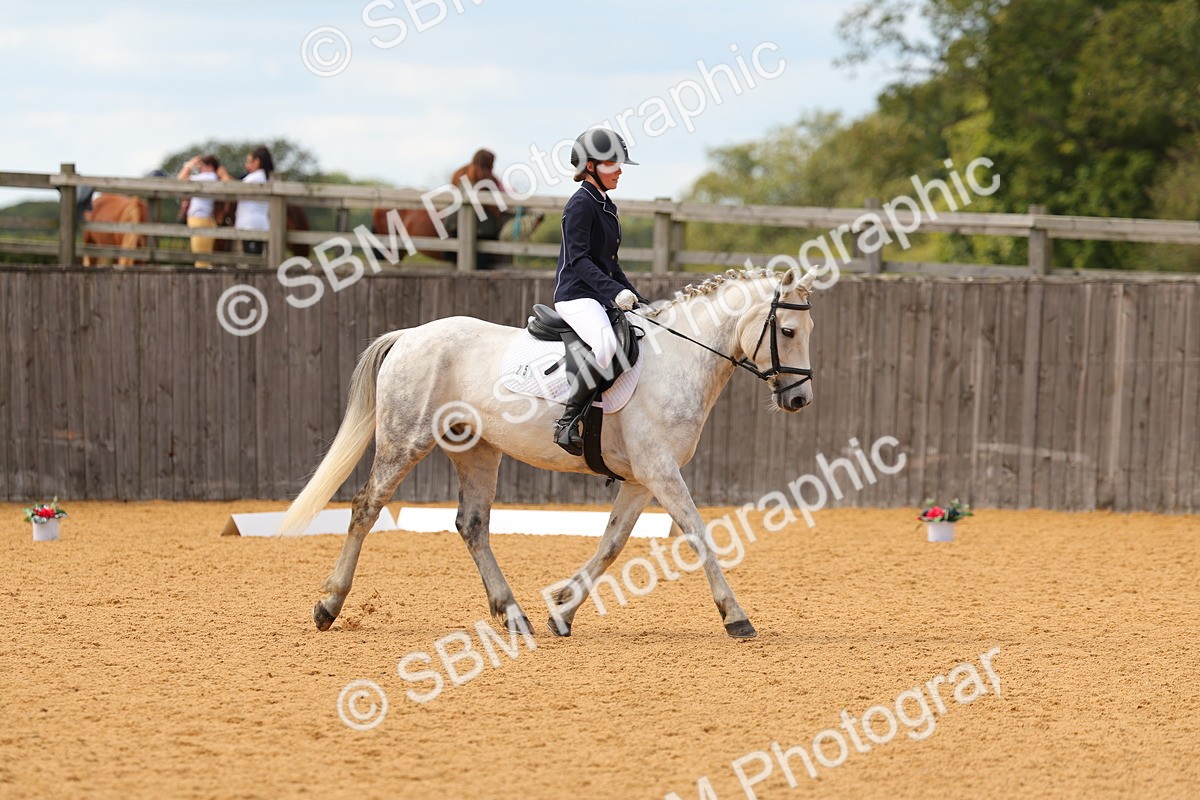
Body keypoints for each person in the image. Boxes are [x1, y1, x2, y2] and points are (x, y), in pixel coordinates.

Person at [551, 127, 647, 455]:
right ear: (591, 166)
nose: (620, 171)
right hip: (576, 295)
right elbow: (579, 261)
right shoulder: (581, 205)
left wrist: (633, 295)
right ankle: (567, 422)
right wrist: (613, 292)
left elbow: (610, 263)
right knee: (605, 345)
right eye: (612, 164)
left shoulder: (605, 205)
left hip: (598, 294)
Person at [217, 146, 273, 256]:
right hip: (257, 223)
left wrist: (223, 175)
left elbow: (235, 187)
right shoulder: (262, 177)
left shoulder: (256, 177)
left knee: (252, 258)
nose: (246, 165)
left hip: (251, 225)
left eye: (249, 162)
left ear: (257, 162)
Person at [177, 154, 220, 267]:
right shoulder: (210, 177)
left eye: (202, 166)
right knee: (203, 255)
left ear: (210, 167)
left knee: (200, 256)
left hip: (200, 219)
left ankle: (201, 275)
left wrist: (190, 164)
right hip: (203, 219)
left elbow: (181, 179)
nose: (199, 169)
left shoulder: (208, 177)